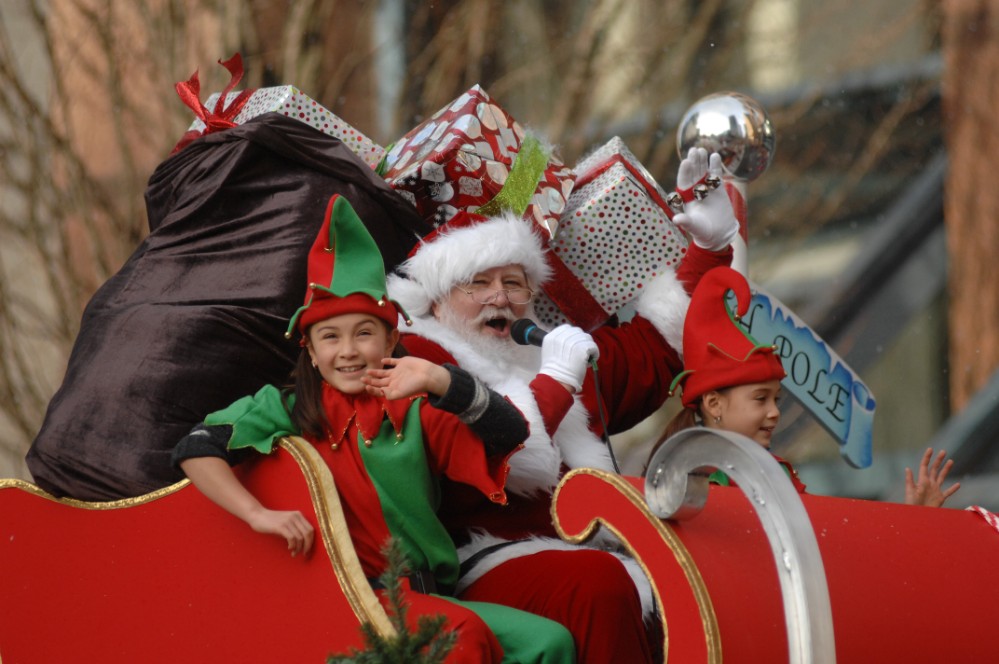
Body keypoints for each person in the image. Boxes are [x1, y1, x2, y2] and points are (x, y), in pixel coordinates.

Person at [172, 195, 576, 664]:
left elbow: (509, 435)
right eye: (330, 336)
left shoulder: (416, 408)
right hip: (349, 600)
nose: (347, 350)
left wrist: (442, 379)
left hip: (432, 597)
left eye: (363, 333)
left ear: (389, 339)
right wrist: (257, 514)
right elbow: (196, 447)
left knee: (551, 643)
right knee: (463, 637)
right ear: (309, 348)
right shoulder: (287, 407)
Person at [384, 147, 740, 663]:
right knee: (596, 584)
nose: (500, 298)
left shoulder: (547, 350)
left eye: (513, 282)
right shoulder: (419, 354)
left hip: (597, 551)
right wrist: (556, 380)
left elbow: (653, 348)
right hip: (480, 558)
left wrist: (709, 248)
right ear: (437, 297)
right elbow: (506, 458)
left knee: (707, 576)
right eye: (477, 283)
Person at [653, 265, 960, 507]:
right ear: (713, 403)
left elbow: (831, 552)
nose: (775, 412)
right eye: (760, 399)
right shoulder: (685, 485)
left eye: (776, 398)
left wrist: (912, 523)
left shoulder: (778, 475)